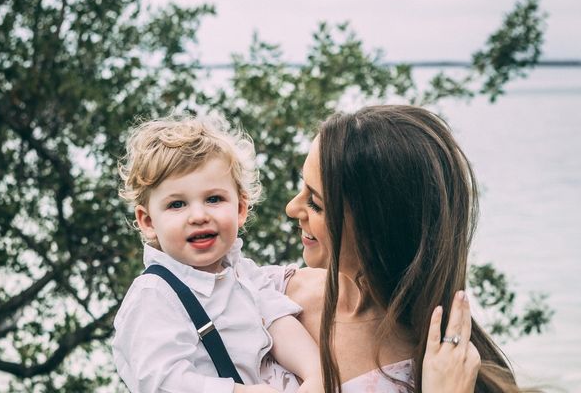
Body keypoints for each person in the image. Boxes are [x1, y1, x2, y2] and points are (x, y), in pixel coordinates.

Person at [269, 104, 525, 393]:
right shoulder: (267, 293)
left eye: (315, 203)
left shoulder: (449, 374)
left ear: (376, 228)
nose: (292, 208)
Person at [112, 114, 323, 393]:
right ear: (148, 222)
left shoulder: (242, 272)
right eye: (177, 204)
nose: (198, 216)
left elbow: (277, 322)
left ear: (240, 209)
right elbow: (159, 379)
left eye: (214, 199)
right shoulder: (154, 294)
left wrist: (316, 373)